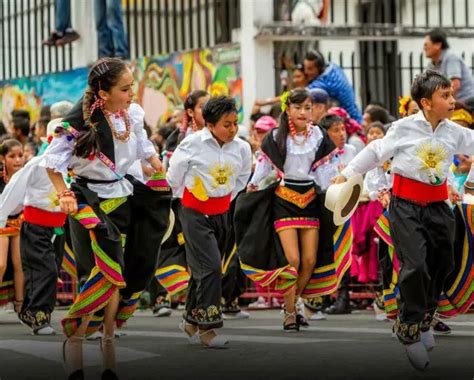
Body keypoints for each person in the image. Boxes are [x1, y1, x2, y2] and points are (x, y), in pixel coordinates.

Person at [333, 69, 474, 371]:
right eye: (445, 95)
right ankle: (408, 328)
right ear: (426, 102)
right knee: (415, 264)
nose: (452, 100)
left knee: (443, 264)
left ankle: (425, 318)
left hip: (439, 207)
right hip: (405, 206)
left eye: (451, 94)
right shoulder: (403, 128)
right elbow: (375, 151)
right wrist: (347, 174)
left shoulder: (454, 131)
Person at [41, 57, 164, 379]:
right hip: (89, 204)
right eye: (125, 89)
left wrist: (154, 163)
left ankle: (108, 352)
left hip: (122, 199)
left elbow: (140, 145)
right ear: (103, 92)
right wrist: (64, 194)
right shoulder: (78, 123)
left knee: (120, 276)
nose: (132, 94)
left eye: (131, 86)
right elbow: (52, 163)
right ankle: (76, 348)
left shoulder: (131, 115)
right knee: (97, 274)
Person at [241, 89, 346, 331]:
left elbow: (323, 171)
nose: (302, 112)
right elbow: (265, 166)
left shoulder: (318, 135)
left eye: (307, 108)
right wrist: (254, 184)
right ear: (288, 109)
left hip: (309, 198)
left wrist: (336, 185)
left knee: (309, 260)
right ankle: (290, 311)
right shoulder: (276, 136)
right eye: (298, 107)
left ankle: (293, 303)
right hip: (284, 199)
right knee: (292, 260)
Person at [167, 95, 252, 347]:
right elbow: (174, 178)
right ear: (210, 125)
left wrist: (220, 202)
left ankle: (191, 319)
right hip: (194, 213)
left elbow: (241, 180)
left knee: (204, 270)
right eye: (227, 124)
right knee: (211, 266)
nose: (233, 129)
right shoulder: (191, 144)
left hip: (223, 212)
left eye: (235, 123)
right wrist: (192, 202)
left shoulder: (242, 148)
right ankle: (208, 328)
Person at [0, 122, 67, 335]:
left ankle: (32, 311)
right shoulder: (37, 163)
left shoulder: (72, 163)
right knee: (45, 270)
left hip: (59, 228)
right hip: (36, 226)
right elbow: (14, 189)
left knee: (52, 270)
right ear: (49, 139)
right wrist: (2, 218)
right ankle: (37, 316)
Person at [0, 139, 26, 315]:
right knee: (0, 264)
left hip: (18, 221)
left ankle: (20, 305)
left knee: (19, 263)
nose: (17, 160)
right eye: (12, 156)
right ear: (2, 158)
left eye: (20, 156)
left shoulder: (26, 174)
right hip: (1, 222)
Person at [304, 50, 363, 122]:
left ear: (319, 68)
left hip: (349, 120)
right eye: (305, 68)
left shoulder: (326, 82)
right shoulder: (334, 67)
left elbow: (299, 95)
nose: (306, 72)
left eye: (310, 69)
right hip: (355, 116)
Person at [424, 29, 474, 109]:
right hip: (454, 101)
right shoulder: (431, 65)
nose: (424, 48)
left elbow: (455, 84)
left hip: (468, 100)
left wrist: (441, 102)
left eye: (426, 45)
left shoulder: (451, 57)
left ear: (437, 45)